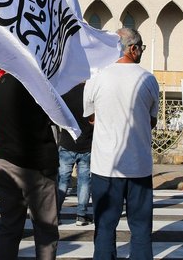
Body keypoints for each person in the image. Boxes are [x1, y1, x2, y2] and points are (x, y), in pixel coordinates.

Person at [84, 28, 159, 260]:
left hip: (106, 166)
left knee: (105, 227)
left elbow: (91, 118)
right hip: (139, 166)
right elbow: (152, 120)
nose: (142, 52)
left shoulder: (96, 79)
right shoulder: (148, 79)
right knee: (141, 229)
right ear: (133, 48)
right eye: (142, 48)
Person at [0, 72, 58, 260]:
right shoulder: (35, 85)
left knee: (9, 228)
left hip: (7, 160)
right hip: (36, 163)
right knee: (46, 230)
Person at [56, 82, 93, 226]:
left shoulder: (64, 91)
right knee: (84, 181)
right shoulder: (90, 94)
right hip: (86, 144)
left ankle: (56, 214)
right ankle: (81, 215)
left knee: (62, 181)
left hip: (67, 142)